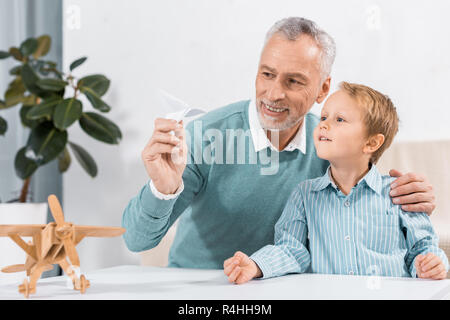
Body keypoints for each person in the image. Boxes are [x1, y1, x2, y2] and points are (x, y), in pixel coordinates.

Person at [122, 17, 437, 269]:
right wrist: (161, 189)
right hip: (203, 291)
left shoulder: (332, 143)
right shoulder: (206, 136)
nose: (273, 94)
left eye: (293, 81)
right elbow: (137, 241)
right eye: (267, 74)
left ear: (322, 88)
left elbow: (367, 214)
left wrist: (409, 202)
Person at [223, 82, 449, 283]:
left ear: (371, 142)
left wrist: (432, 263)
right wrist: (257, 265)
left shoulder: (398, 193)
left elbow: (422, 248)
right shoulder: (305, 195)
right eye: (323, 117)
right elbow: (291, 249)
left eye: (339, 119)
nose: (323, 125)